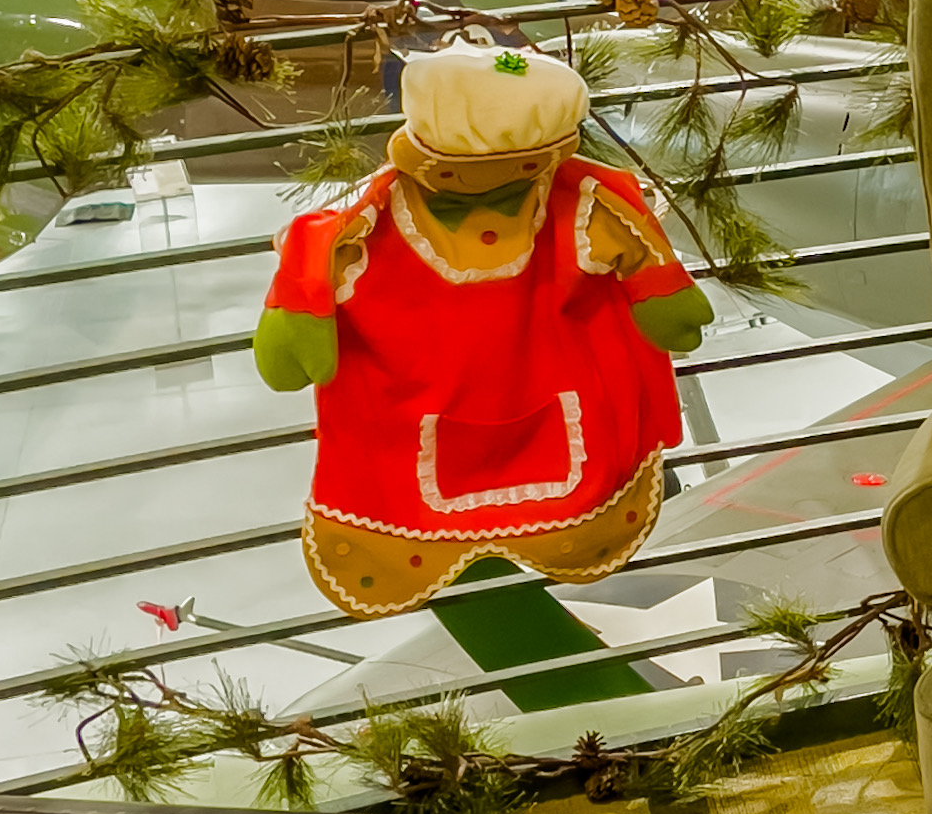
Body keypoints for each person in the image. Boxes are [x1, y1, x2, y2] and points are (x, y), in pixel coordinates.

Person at [254, 37, 710, 614]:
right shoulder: (363, 227)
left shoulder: (579, 204)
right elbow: (669, 306)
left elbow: (306, 290)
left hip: (501, 414)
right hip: (451, 427)